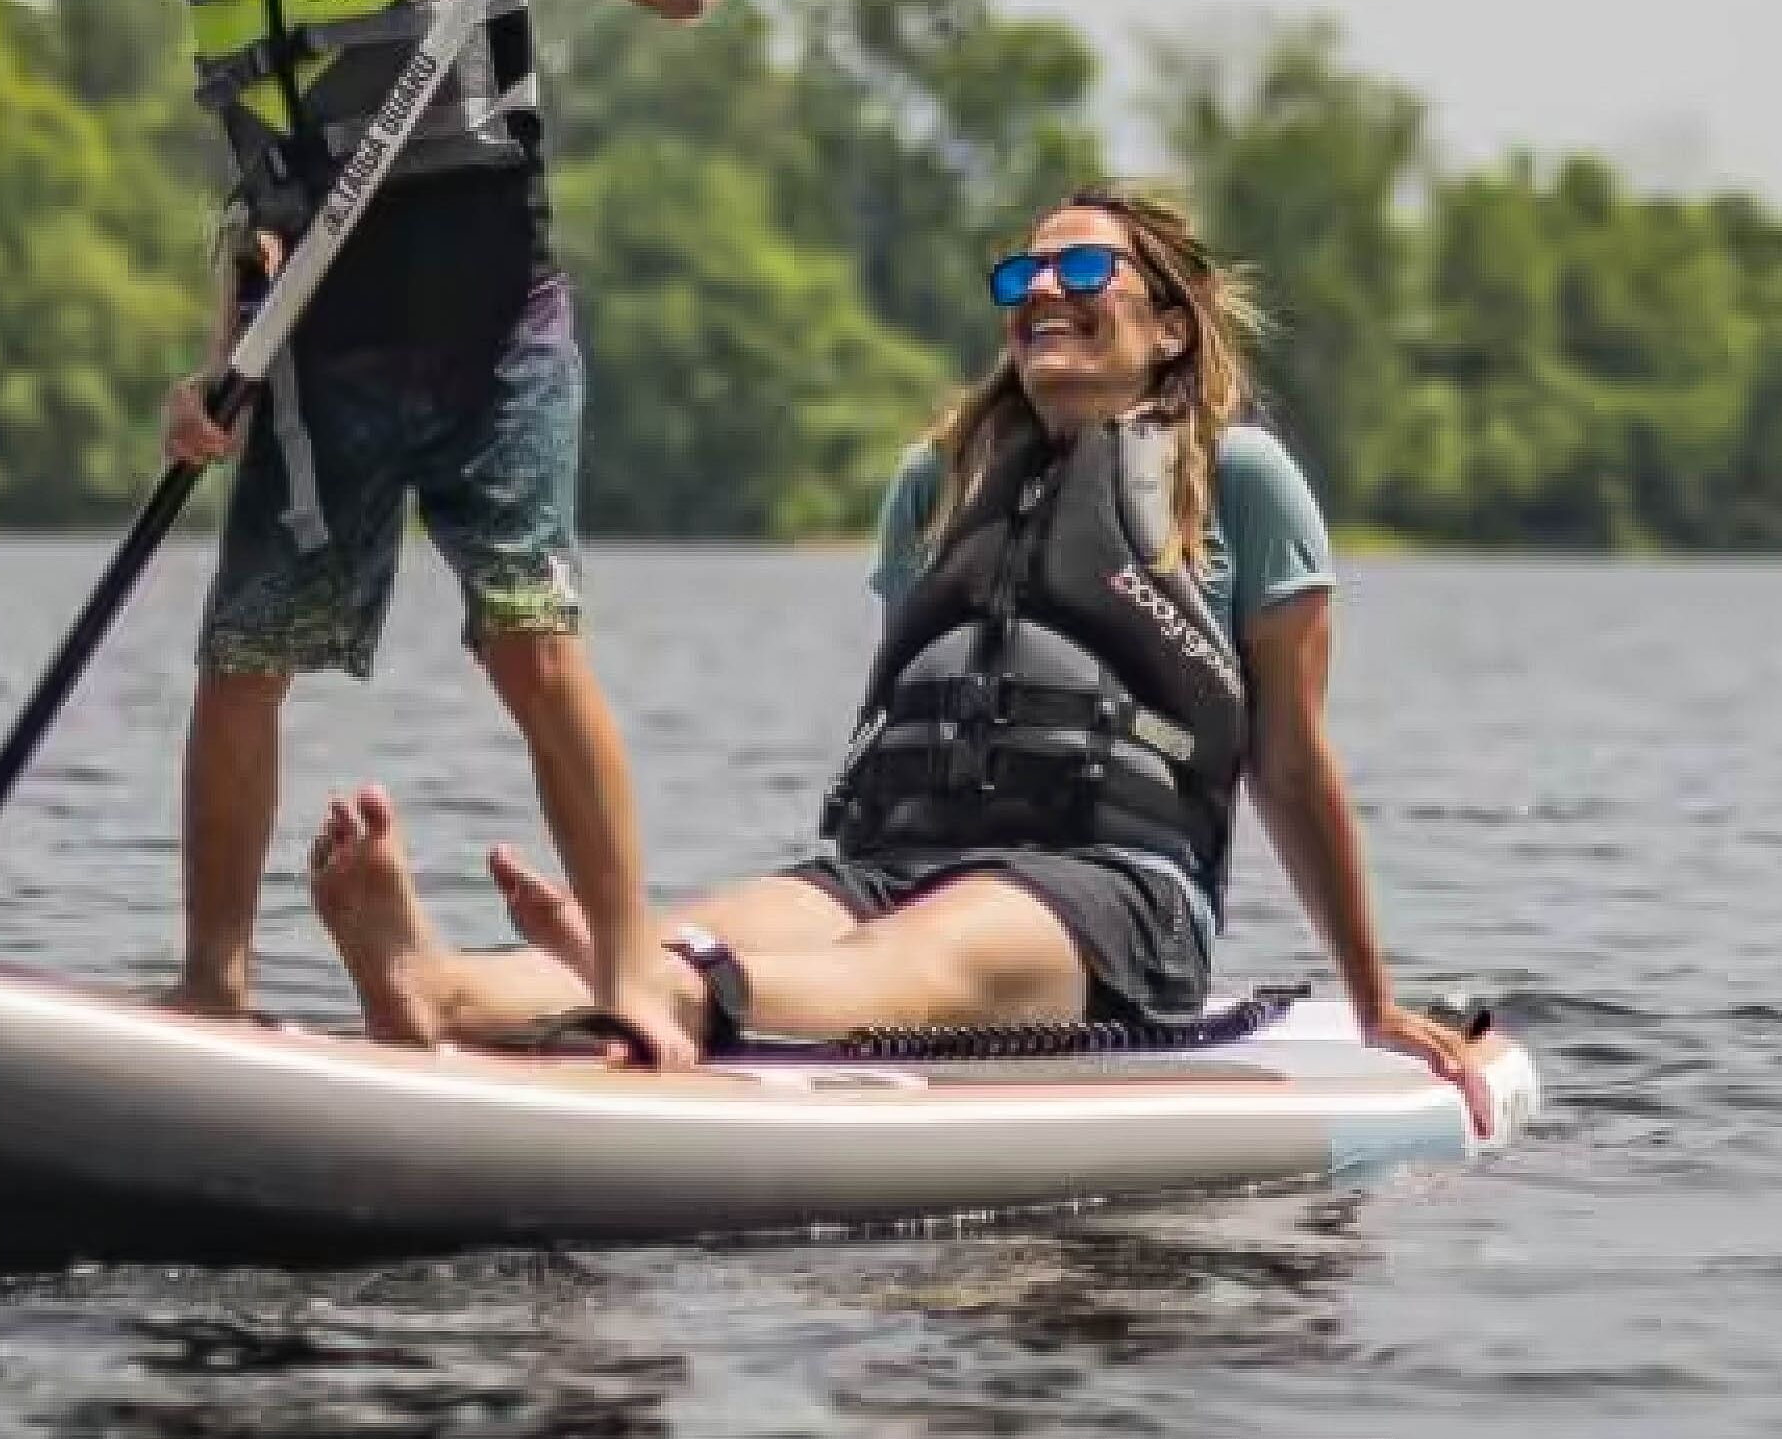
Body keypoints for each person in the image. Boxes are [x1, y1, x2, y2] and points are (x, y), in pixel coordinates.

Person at [295, 186, 1491, 1106]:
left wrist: (1374, 1000)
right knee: (689, 928)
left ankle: (682, 996)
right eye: (1023, 271)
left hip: (1108, 887)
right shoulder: (938, 482)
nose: (1042, 290)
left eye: (1084, 267)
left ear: (1169, 326)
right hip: (890, 852)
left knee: (911, 955)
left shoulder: (1237, 479)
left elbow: (1290, 764)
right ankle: (442, 987)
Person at [120, 0, 715, 1064]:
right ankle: (212, 979)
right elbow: (259, 196)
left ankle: (632, 968)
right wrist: (211, 369)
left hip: (491, 335)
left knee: (530, 642)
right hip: (317, 361)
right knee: (238, 661)